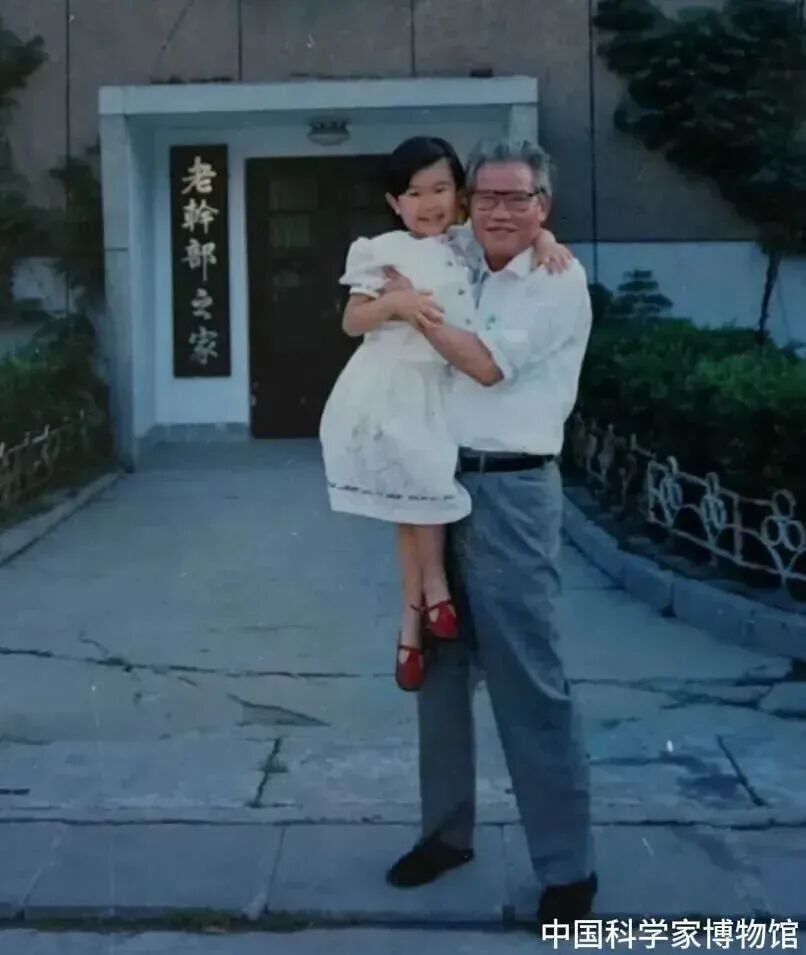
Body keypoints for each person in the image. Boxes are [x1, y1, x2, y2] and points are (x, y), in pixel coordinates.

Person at [382, 138, 598, 927]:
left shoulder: (557, 281)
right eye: (488, 196)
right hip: (439, 486)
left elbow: (482, 365)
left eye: (519, 198)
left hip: (513, 494)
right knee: (438, 670)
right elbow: (412, 230)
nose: (500, 210)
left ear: (544, 205)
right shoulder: (461, 254)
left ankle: (569, 871)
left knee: (527, 681)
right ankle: (446, 835)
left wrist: (411, 309)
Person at [319, 136, 571, 693]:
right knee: (417, 495)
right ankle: (428, 601)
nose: (429, 203)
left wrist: (546, 238)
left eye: (441, 189)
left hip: (440, 388)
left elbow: (518, 226)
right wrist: (399, 304)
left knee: (416, 501)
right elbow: (352, 321)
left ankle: (413, 627)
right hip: (395, 389)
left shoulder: (464, 243)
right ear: (395, 203)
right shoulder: (382, 250)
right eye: (414, 193)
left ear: (459, 195)